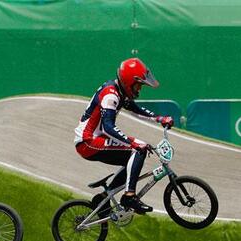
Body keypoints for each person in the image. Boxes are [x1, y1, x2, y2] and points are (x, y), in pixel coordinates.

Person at [74, 57, 174, 214]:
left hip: (96, 138)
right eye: (138, 85)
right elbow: (108, 127)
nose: (139, 89)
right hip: (88, 142)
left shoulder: (119, 90)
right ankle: (129, 196)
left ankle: (104, 197)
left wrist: (159, 118)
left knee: (133, 159)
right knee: (138, 149)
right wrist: (131, 142)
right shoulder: (111, 95)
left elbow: (135, 108)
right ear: (128, 82)